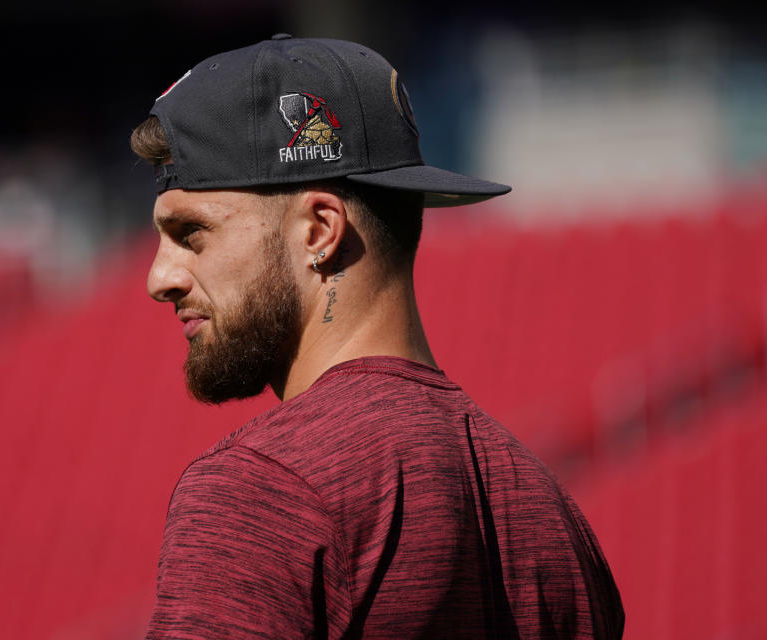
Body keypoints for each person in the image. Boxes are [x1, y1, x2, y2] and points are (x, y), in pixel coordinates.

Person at [133, 34, 624, 639]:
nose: (161, 278)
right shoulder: (551, 517)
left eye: (190, 232)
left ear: (320, 230)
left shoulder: (261, 488)